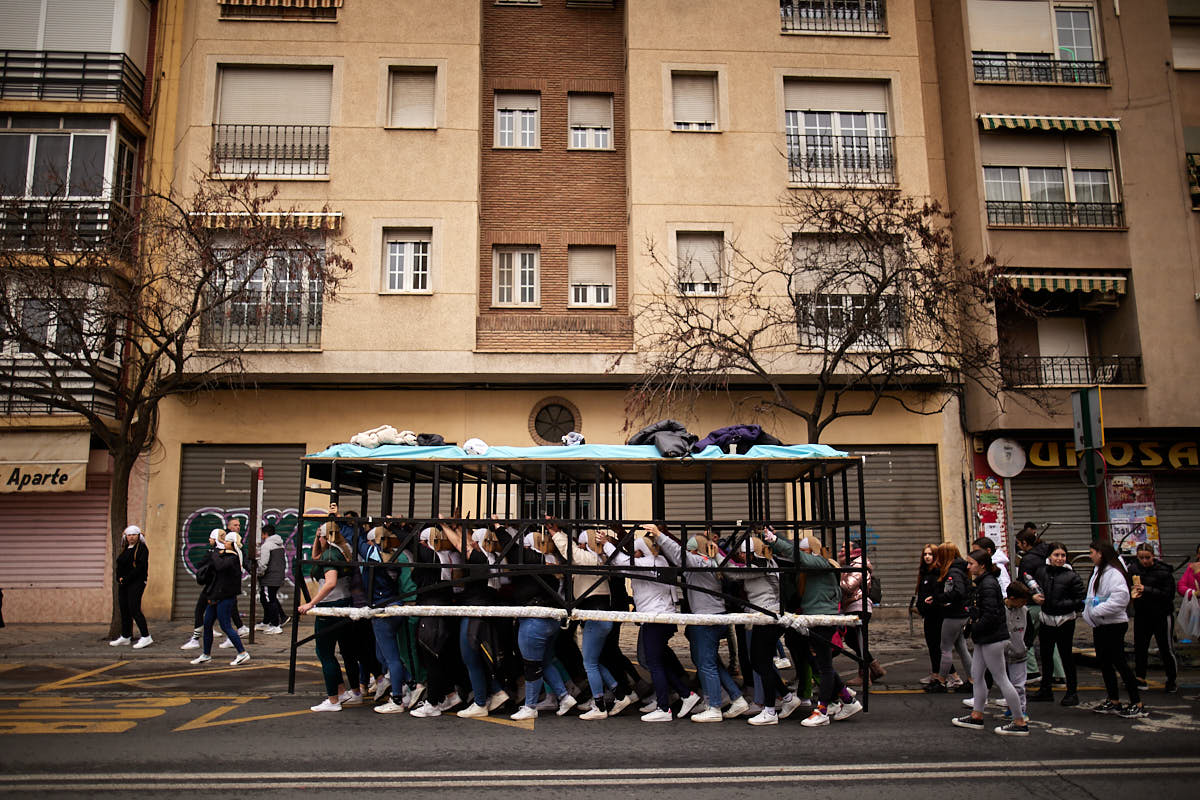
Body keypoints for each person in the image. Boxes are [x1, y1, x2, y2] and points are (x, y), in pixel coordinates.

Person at [654, 525, 747, 723]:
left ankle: (714, 706)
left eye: (690, 549)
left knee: (706, 664)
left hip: (707, 619)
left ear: (695, 551)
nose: (687, 552)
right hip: (711, 617)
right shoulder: (709, 562)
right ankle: (736, 698)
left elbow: (678, 554)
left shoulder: (700, 562)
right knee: (709, 661)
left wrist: (660, 536)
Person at [614, 530, 702, 723]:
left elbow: (619, 562)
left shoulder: (648, 563)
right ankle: (686, 693)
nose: (633, 555)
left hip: (656, 618)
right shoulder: (660, 560)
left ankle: (664, 707)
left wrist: (605, 544)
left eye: (636, 551)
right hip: (662, 617)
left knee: (653, 663)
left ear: (642, 550)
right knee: (658, 661)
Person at [950, 548, 1028, 736]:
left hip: (992, 638)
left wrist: (974, 628)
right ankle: (977, 716)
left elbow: (991, 614)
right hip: (985, 637)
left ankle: (1019, 721)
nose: (968, 566)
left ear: (982, 565)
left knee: (1001, 678)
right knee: (977, 675)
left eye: (971, 563)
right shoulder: (984, 583)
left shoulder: (988, 585)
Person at [794, 536, 860, 728]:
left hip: (823, 619)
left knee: (824, 666)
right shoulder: (814, 567)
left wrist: (774, 539)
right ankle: (847, 700)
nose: (801, 556)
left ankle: (822, 710)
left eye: (804, 551)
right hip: (816, 617)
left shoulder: (822, 564)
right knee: (821, 662)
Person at [1082, 541, 1144, 718]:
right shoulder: (1099, 571)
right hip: (1101, 624)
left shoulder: (1114, 573)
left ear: (1100, 553)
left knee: (1120, 663)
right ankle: (1114, 700)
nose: (1090, 555)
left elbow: (1120, 599)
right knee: (1105, 664)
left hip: (1113, 624)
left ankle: (1136, 702)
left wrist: (1096, 611)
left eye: (1092, 552)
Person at [298, 522, 353, 711]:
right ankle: (341, 690)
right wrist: (317, 538)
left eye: (318, 536)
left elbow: (330, 583)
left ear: (324, 537)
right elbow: (315, 557)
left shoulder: (330, 555)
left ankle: (333, 700)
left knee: (324, 653)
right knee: (333, 652)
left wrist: (311, 603)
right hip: (343, 603)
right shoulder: (340, 550)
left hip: (330, 607)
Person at [1030, 542, 1084, 706]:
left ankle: (1072, 692)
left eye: (1062, 555)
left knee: (1066, 655)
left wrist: (1060, 605)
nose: (1060, 559)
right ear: (1049, 556)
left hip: (1065, 620)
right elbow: (1032, 587)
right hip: (1046, 618)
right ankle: (1045, 689)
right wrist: (1034, 597)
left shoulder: (1072, 576)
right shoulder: (1041, 572)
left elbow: (1080, 600)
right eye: (1056, 555)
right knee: (1046, 656)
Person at [190, 531, 250, 667]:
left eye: (228, 541)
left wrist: (215, 552)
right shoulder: (224, 555)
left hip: (225, 597)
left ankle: (242, 653)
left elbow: (219, 566)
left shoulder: (233, 558)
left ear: (233, 544)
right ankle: (206, 654)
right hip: (216, 595)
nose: (225, 543)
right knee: (207, 624)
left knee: (225, 626)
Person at [1129, 543, 1178, 693]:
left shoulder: (1163, 571)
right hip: (1143, 614)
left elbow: (1168, 595)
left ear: (1153, 556)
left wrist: (1147, 590)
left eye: (1147, 557)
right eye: (1141, 558)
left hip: (1162, 614)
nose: (1144, 561)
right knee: (1140, 647)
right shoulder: (1133, 569)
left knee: (1165, 647)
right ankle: (1140, 677)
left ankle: (1171, 679)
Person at [925, 542, 971, 693]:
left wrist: (939, 598)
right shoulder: (960, 569)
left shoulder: (953, 572)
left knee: (945, 648)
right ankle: (972, 679)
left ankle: (941, 680)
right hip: (960, 613)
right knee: (961, 648)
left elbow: (958, 592)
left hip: (953, 614)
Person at [840, 542, 883, 684]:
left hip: (858, 606)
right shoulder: (850, 564)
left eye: (845, 547)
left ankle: (865, 675)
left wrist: (834, 576)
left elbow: (849, 586)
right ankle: (874, 668)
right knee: (855, 640)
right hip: (853, 606)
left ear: (855, 550)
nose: (842, 549)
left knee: (857, 640)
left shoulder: (858, 565)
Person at [915, 543, 956, 684]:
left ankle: (951, 675)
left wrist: (929, 604)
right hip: (928, 614)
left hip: (937, 614)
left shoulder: (938, 573)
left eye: (930, 554)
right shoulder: (925, 571)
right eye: (925, 554)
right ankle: (936, 673)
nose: (927, 557)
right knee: (933, 645)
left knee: (938, 646)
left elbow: (938, 594)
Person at [110, 525, 153, 649]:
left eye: (134, 535)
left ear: (138, 536)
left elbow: (140, 567)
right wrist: (119, 578)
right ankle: (125, 636)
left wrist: (127, 578)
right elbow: (119, 565)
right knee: (124, 609)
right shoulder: (125, 549)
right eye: (129, 535)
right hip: (124, 583)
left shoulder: (142, 549)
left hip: (137, 582)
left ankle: (146, 636)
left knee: (134, 608)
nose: (131, 537)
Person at [182, 531, 223, 650]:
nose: (209, 541)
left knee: (200, 610)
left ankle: (195, 639)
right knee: (220, 616)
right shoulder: (225, 553)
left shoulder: (212, 554)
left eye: (211, 538)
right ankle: (204, 644)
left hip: (211, 588)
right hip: (220, 588)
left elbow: (200, 564)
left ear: (215, 539)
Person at [1002, 581, 1032, 726]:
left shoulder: (1025, 611)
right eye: (1022, 600)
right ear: (1012, 598)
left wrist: (1026, 645)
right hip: (1003, 653)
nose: (1024, 603)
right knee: (1006, 683)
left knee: (1018, 685)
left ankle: (1020, 710)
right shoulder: (1001, 610)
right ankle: (1011, 707)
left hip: (1019, 653)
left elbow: (1030, 631)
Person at [256, 523, 287, 634]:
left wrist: (258, 573)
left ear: (265, 534)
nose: (262, 537)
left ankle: (275, 625)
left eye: (262, 535)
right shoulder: (280, 544)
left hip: (269, 578)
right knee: (267, 599)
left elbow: (263, 563)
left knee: (270, 600)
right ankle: (266, 622)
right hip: (278, 576)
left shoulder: (267, 545)